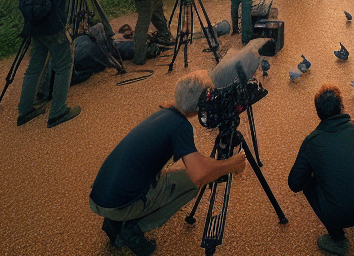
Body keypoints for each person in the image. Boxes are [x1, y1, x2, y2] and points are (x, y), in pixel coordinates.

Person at [89, 69, 246, 256]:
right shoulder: (181, 127)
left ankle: (116, 221)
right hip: (119, 204)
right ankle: (132, 228)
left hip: (102, 196)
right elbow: (199, 174)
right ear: (201, 105)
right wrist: (231, 164)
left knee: (181, 166)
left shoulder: (165, 113)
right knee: (192, 183)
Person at [288, 83, 354, 255]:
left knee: (308, 185)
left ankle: (338, 241)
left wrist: (315, 171)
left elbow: (295, 183)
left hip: (342, 214)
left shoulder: (312, 142)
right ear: (341, 106)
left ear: (318, 113)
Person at [17, 0, 99, 128]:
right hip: (54, 29)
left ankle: (25, 110)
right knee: (64, 66)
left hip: (36, 28)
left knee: (34, 68)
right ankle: (58, 112)